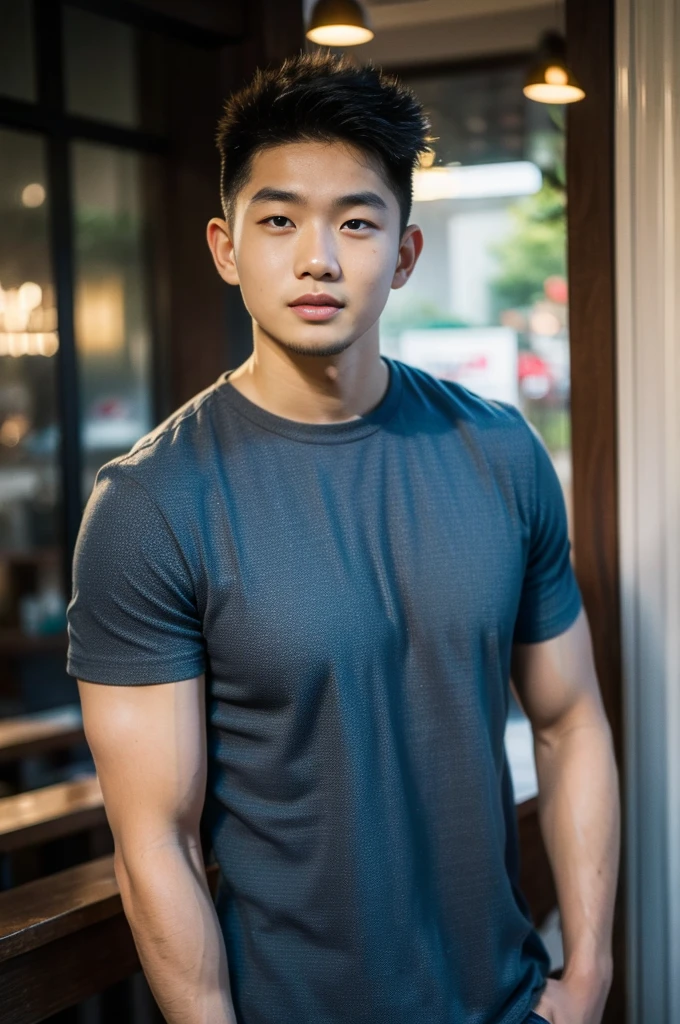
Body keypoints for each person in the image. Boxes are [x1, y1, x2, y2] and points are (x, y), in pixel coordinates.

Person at [66, 48, 620, 1024]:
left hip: (504, 1002)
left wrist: (584, 978)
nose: (316, 256)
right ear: (225, 247)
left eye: (355, 222)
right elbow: (154, 835)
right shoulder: (150, 502)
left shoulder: (497, 452)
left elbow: (569, 720)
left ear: (403, 252)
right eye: (277, 220)